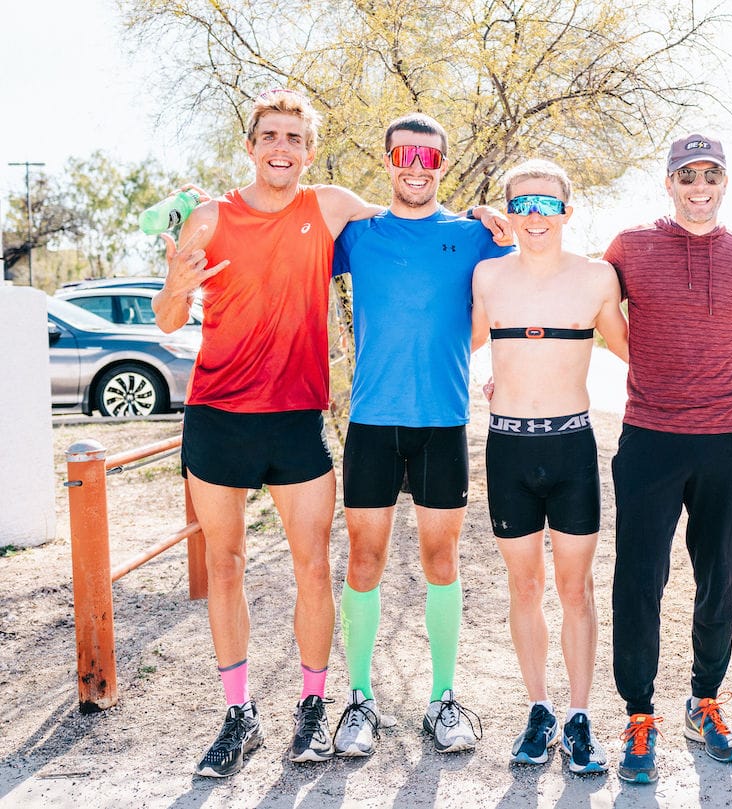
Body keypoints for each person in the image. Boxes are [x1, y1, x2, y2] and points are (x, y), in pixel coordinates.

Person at [152, 89, 383, 777]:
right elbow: (168, 320)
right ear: (251, 146)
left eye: (294, 138)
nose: (281, 148)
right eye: (270, 136)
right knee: (224, 565)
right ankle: (238, 714)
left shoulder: (331, 205)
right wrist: (174, 280)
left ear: (308, 151)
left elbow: (413, 224)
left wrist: (487, 220)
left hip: (296, 419)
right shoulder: (209, 217)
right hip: (217, 417)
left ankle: (312, 706)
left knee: (313, 565)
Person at [329, 112, 512, 758]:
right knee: (364, 560)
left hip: (442, 423)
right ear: (387, 161)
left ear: (442, 165)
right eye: (405, 155)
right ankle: (358, 699)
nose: (416, 167)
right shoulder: (358, 236)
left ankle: (441, 698)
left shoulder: (473, 236)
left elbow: (527, 279)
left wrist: (506, 223)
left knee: (441, 561)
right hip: (373, 423)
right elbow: (289, 254)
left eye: (429, 158)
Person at [604, 134, 732, 784]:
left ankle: (705, 701)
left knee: (721, 580)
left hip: (726, 440)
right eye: (687, 177)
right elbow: (588, 306)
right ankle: (639, 712)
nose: (699, 188)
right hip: (649, 436)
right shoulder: (630, 245)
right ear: (668, 183)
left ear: (724, 182)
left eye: (710, 176)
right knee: (640, 581)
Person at [471, 158, 628, 774]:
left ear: (567, 210)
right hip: (508, 447)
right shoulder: (487, 276)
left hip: (572, 447)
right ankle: (539, 710)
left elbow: (635, 349)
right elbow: (455, 340)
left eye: (547, 205)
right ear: (508, 213)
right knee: (525, 586)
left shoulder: (596, 278)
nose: (535, 217)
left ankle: (581, 714)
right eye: (522, 205)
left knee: (574, 588)